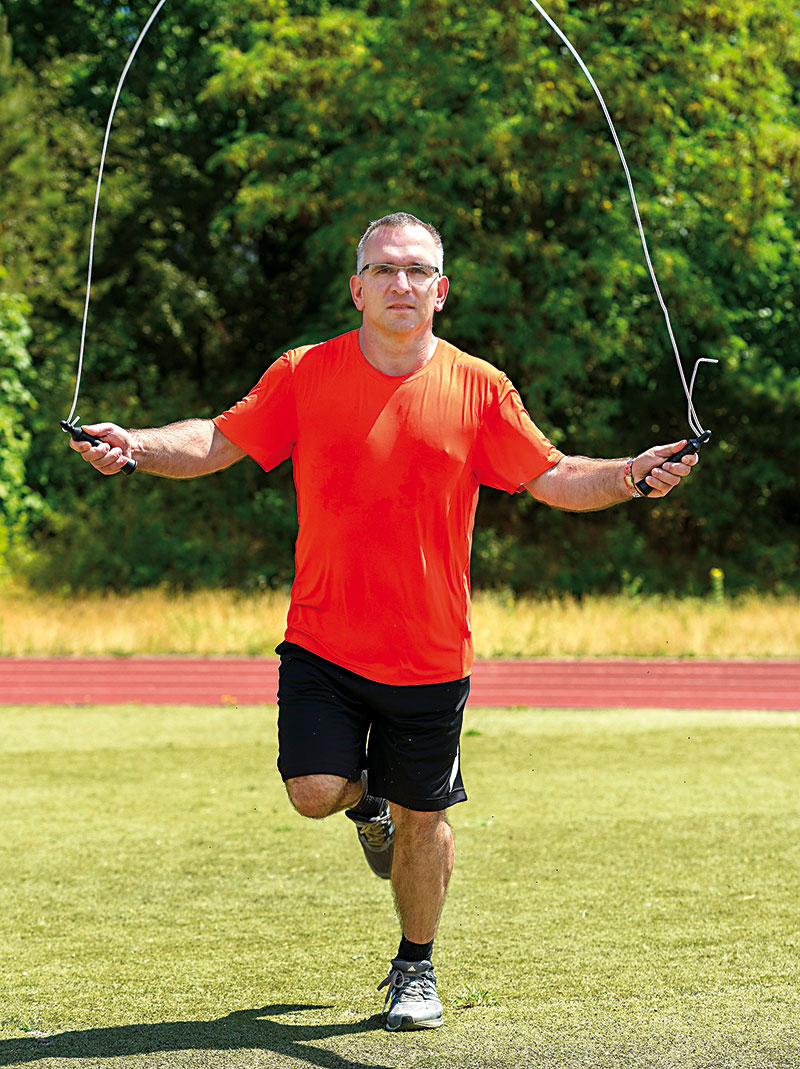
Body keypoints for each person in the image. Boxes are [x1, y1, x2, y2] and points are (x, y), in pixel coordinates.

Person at [69, 212, 699, 1031]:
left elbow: (555, 476)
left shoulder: (481, 386)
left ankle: (414, 966)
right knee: (314, 791)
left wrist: (631, 475)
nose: (401, 284)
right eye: (384, 270)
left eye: (417, 272)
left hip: (431, 651)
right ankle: (368, 806)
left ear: (441, 290)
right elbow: (215, 440)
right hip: (323, 638)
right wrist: (137, 447)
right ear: (356, 287)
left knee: (425, 817)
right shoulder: (303, 371)